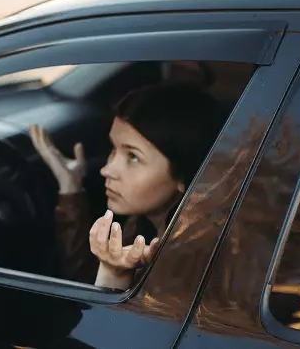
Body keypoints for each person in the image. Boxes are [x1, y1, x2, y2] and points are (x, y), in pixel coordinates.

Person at [28, 82, 226, 290]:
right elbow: (86, 281)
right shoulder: (144, 223)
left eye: (132, 157)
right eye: (114, 149)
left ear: (185, 175)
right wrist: (70, 186)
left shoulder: (186, 264)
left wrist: (115, 276)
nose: (107, 170)